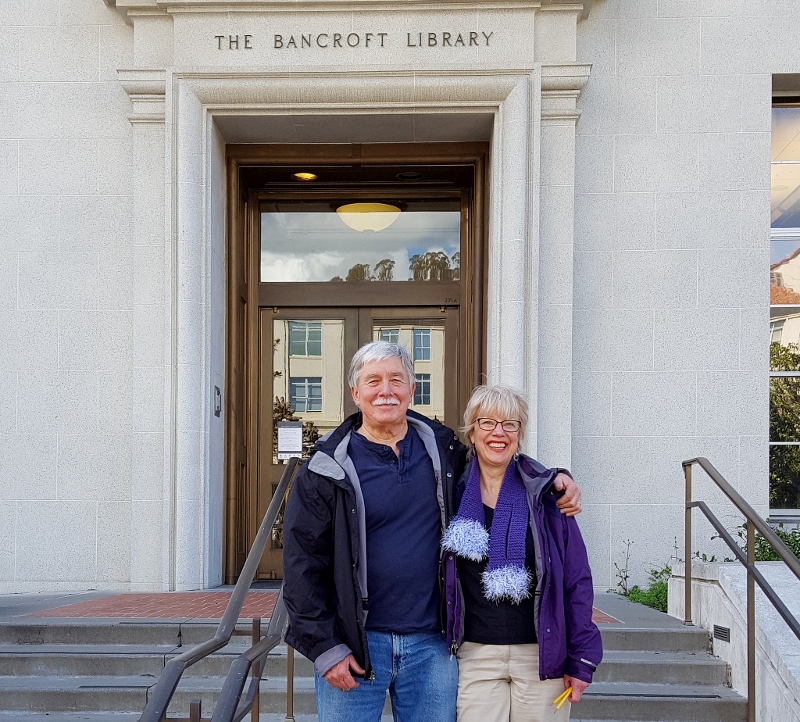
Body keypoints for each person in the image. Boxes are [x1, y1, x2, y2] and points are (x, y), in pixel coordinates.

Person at [282, 342, 583, 722]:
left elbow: (499, 457)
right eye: (373, 381)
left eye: (396, 379)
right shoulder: (324, 470)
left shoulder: (443, 452)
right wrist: (325, 646)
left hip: (432, 645)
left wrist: (555, 478)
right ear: (356, 393)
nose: (385, 390)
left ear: (411, 389)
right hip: (356, 644)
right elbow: (301, 565)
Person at [441, 384, 602, 722]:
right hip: (475, 654)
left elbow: (576, 580)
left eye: (510, 424)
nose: (498, 432)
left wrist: (583, 657)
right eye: (487, 422)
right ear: (471, 432)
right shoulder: (449, 494)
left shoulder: (547, 497)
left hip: (541, 655)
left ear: (520, 433)